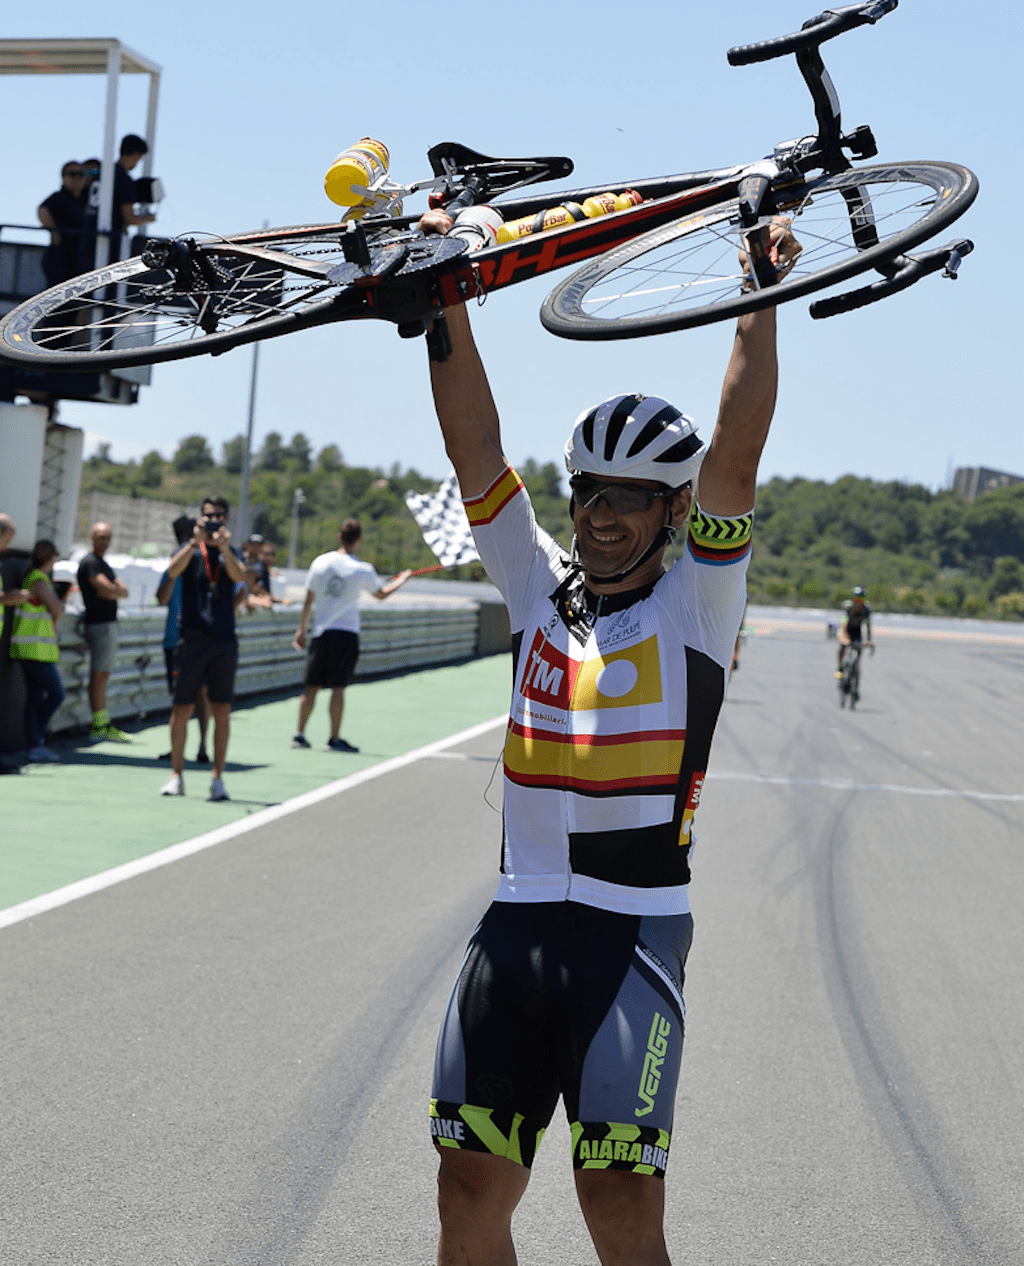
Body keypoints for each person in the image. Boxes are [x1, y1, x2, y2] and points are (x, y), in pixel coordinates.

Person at [418, 206, 799, 1264]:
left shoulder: (697, 611)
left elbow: (738, 450)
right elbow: (474, 450)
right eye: (590, 492)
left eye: (631, 499)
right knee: (465, 1193)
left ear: (674, 513)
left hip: (632, 935)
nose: (602, 515)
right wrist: (442, 301)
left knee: (618, 1202)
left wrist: (756, 302)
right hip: (518, 923)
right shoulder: (536, 589)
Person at [291, 520, 411, 752]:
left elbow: (309, 599)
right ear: (358, 540)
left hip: (321, 633)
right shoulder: (362, 569)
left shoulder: (321, 562)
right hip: (346, 634)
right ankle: (334, 739)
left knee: (311, 687)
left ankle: (299, 734)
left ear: (339, 537)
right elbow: (381, 594)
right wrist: (402, 579)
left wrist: (301, 630)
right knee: (338, 688)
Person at [158, 496, 246, 800]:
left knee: (221, 708)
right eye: (208, 517)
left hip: (223, 640)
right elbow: (171, 571)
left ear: (227, 520)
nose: (213, 522)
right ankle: (176, 775)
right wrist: (195, 543)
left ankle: (217, 778)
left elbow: (239, 578)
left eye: (219, 517)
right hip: (192, 638)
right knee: (181, 708)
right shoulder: (190, 551)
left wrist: (222, 548)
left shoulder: (230, 552)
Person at [9, 540, 67, 763]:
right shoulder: (40, 580)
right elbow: (57, 609)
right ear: (51, 558)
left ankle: (34, 744)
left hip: (31, 648)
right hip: (34, 649)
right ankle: (35, 739)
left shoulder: (33, 578)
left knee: (35, 697)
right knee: (56, 694)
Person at [155, 530, 210, 766]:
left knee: (202, 694)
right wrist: (172, 575)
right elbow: (162, 598)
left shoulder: (204, 568)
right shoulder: (174, 568)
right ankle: (175, 747)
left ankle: (202, 745)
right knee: (179, 698)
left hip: (200, 638)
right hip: (174, 639)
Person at [77, 521, 131, 742]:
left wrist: (114, 591)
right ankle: (99, 723)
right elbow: (108, 590)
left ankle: (103, 720)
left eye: (107, 537)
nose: (104, 541)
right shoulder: (90, 563)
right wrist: (113, 591)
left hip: (107, 623)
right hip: (99, 624)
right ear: (91, 536)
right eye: (100, 537)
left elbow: (123, 591)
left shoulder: (103, 564)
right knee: (99, 674)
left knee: (103, 673)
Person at [83, 134, 156, 267]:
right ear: (136, 154)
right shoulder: (124, 179)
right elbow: (130, 218)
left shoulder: (101, 173)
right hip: (109, 242)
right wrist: (148, 218)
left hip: (87, 237)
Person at [37, 161, 88, 286]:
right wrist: (54, 232)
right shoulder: (59, 197)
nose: (77, 178)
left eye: (81, 174)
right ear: (63, 177)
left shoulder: (86, 200)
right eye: (72, 174)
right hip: (60, 257)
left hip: (80, 258)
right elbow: (42, 210)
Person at [836, 585, 873, 675]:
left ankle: (855, 668)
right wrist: (843, 636)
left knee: (859, 649)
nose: (857, 601)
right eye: (855, 598)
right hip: (847, 630)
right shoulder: (848, 607)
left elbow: (867, 626)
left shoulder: (866, 609)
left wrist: (868, 640)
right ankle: (840, 667)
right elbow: (843, 623)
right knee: (843, 647)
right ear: (852, 599)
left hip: (857, 631)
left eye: (860, 599)